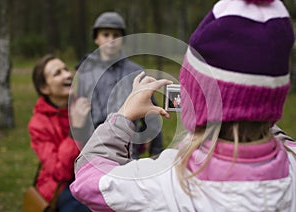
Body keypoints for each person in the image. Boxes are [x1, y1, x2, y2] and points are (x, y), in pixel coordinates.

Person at [70, 0, 296, 211]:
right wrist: (254, 105)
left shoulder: (165, 179)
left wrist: (124, 115)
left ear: (197, 99)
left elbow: (89, 181)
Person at [75, 11, 163, 158]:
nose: (111, 40)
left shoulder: (136, 72)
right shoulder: (85, 72)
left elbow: (151, 113)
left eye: (116, 35)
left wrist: (156, 151)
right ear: (96, 38)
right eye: (106, 34)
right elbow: (79, 112)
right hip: (93, 147)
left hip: (127, 148)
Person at [28, 54, 90, 211]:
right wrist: (74, 130)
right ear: (44, 88)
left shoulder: (84, 104)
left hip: (89, 176)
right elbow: (59, 172)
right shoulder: (38, 125)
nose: (68, 74)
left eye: (66, 69)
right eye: (58, 73)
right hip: (60, 186)